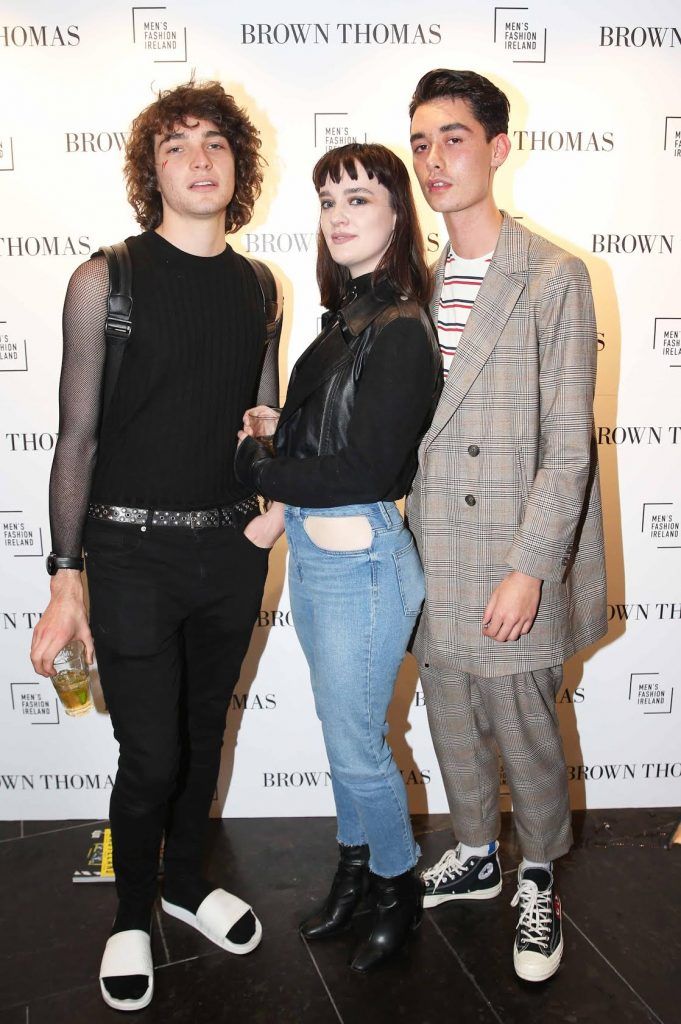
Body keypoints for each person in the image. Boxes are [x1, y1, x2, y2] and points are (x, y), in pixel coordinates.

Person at [30, 80, 283, 1012]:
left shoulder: (261, 285)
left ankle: (184, 883)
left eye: (214, 143)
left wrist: (272, 497)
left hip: (230, 553)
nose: (199, 159)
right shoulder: (109, 278)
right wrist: (66, 577)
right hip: (129, 555)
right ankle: (133, 909)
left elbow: (259, 426)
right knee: (149, 754)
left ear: (238, 166)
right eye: (176, 146)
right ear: (152, 171)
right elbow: (77, 439)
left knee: (202, 732)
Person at [406, 69, 607, 982]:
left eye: (452, 138)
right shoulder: (414, 279)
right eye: (419, 143)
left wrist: (532, 566)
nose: (433, 161)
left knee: (524, 728)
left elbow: (569, 446)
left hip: (507, 548)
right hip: (427, 547)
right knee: (449, 711)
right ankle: (477, 853)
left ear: (496, 147)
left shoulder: (552, 274)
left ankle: (536, 876)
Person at [235, 142, 442, 972]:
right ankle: (355, 872)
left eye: (359, 197)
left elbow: (367, 467)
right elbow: (321, 433)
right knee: (342, 734)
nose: (340, 215)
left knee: (359, 743)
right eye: (328, 202)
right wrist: (274, 430)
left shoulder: (397, 328)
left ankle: (399, 891)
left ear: (398, 215)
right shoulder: (343, 320)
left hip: (363, 563)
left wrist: (256, 465)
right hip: (321, 561)